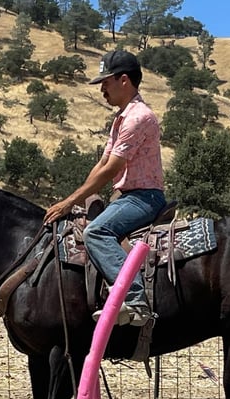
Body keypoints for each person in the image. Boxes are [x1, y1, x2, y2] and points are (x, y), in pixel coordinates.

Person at [43, 50, 166, 327]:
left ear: (124, 80)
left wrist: (68, 201)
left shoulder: (139, 118)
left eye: (106, 82)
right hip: (128, 196)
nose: (102, 89)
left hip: (143, 197)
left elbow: (112, 168)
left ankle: (135, 301)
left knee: (96, 231)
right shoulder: (121, 118)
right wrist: (76, 198)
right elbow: (102, 164)